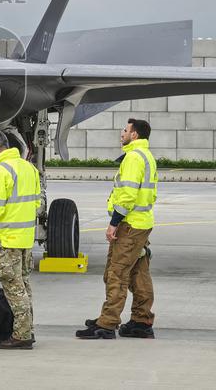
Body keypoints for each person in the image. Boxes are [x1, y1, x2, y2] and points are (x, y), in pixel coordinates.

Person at [77, 118, 158, 340]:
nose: (121, 133)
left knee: (116, 274)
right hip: (141, 223)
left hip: (129, 225)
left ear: (134, 135)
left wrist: (114, 223)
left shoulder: (133, 157)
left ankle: (107, 323)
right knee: (139, 273)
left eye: (125, 130)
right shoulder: (145, 155)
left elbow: (128, 195)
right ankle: (141, 321)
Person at [0, 130, 40, 349]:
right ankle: (27, 328)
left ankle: (22, 335)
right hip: (25, 238)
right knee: (24, 285)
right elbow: (37, 203)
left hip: (7, 239)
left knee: (13, 287)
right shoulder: (29, 168)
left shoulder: (0, 171)